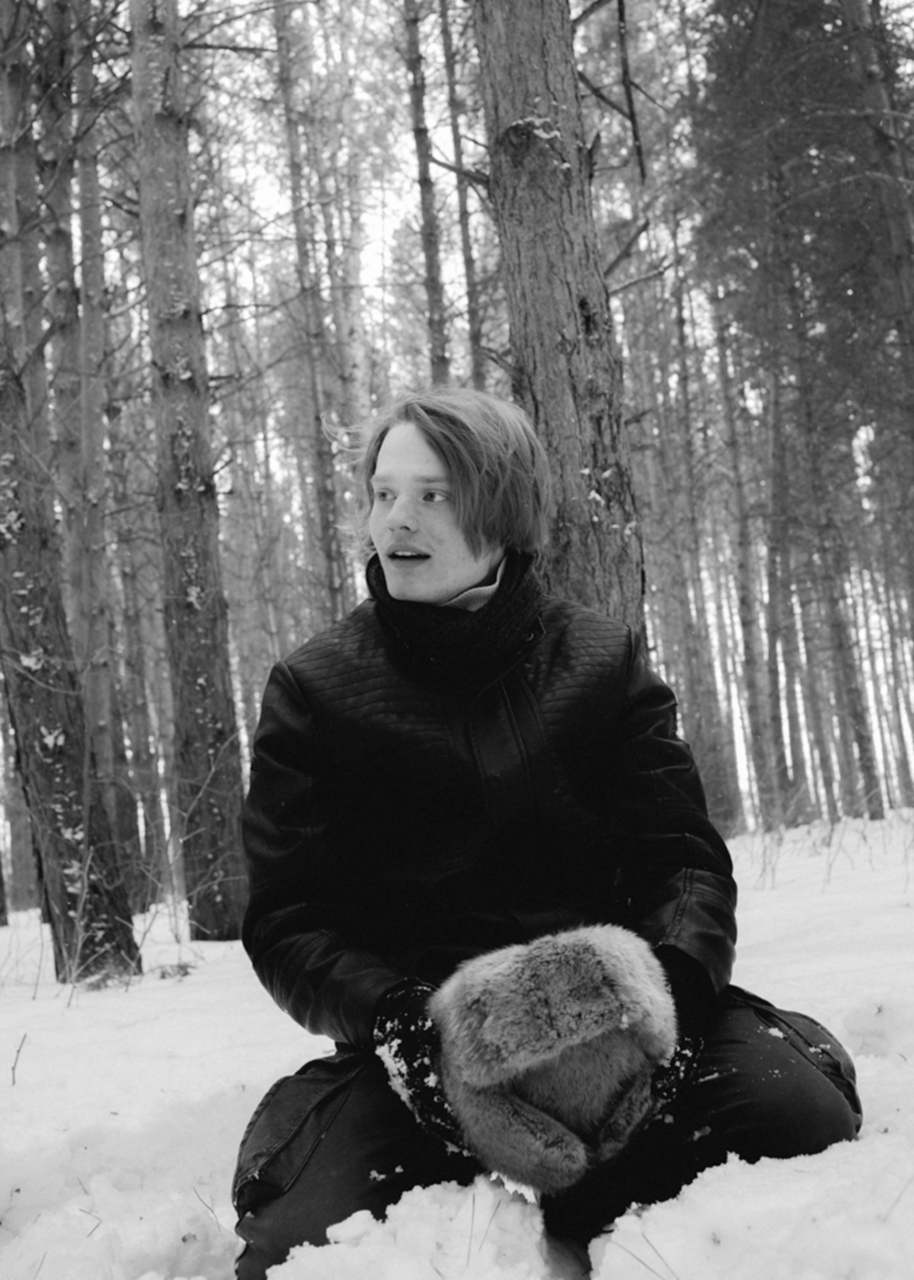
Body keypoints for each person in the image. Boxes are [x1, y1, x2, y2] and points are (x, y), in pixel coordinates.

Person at [232, 387, 861, 1278]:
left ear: (500, 509)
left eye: (433, 494)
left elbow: (683, 863)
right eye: (383, 493)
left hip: (615, 1017)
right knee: (305, 1241)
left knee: (796, 1114)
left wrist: (669, 1002)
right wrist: (402, 1025)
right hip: (426, 1045)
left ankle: (605, 1188)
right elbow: (287, 921)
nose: (396, 521)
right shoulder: (312, 689)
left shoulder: (602, 660)